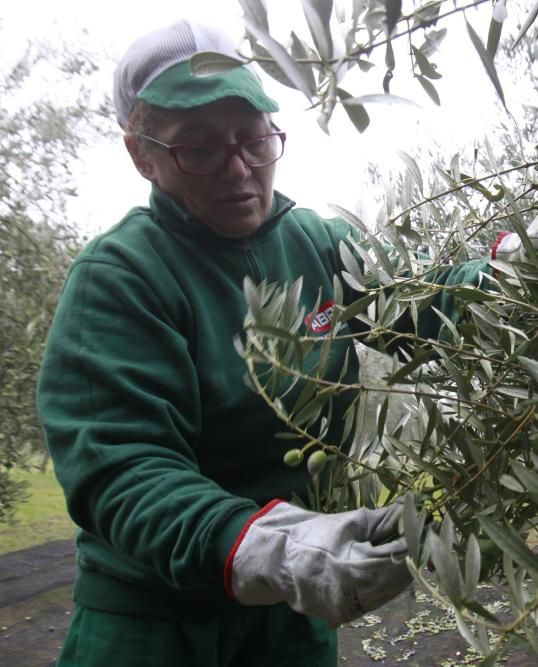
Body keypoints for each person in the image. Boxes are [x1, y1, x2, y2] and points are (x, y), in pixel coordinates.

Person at [36, 20, 491, 666]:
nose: (240, 168)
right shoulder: (120, 279)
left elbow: (420, 298)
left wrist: (517, 272)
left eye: (254, 139)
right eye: (200, 148)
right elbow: (122, 470)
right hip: (155, 630)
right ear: (142, 153)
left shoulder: (317, 244)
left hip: (286, 629)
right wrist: (273, 547)